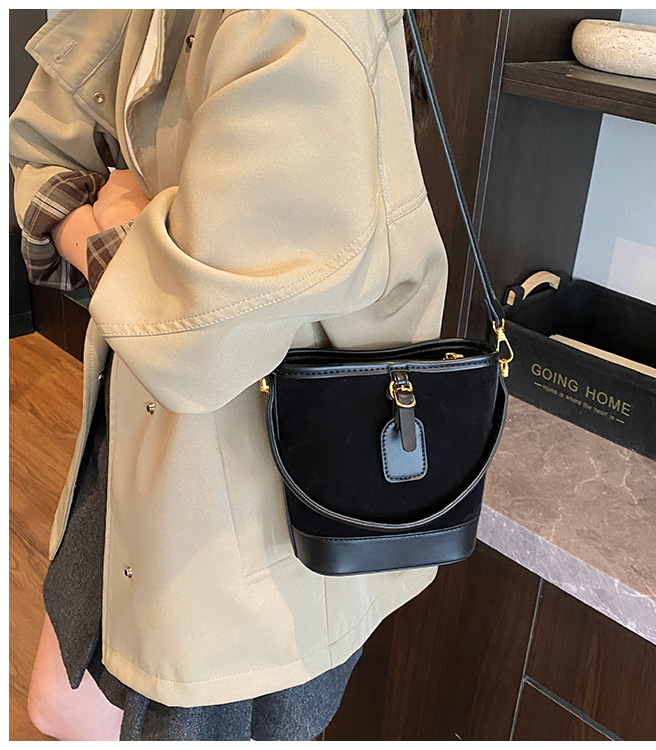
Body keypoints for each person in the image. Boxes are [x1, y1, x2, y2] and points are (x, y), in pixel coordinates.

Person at [9, 9, 448, 741]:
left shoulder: (296, 24)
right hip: (141, 424)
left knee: (129, 713)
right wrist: (130, 239)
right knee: (62, 706)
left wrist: (103, 230)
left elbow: (198, 337)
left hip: (253, 492)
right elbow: (36, 153)